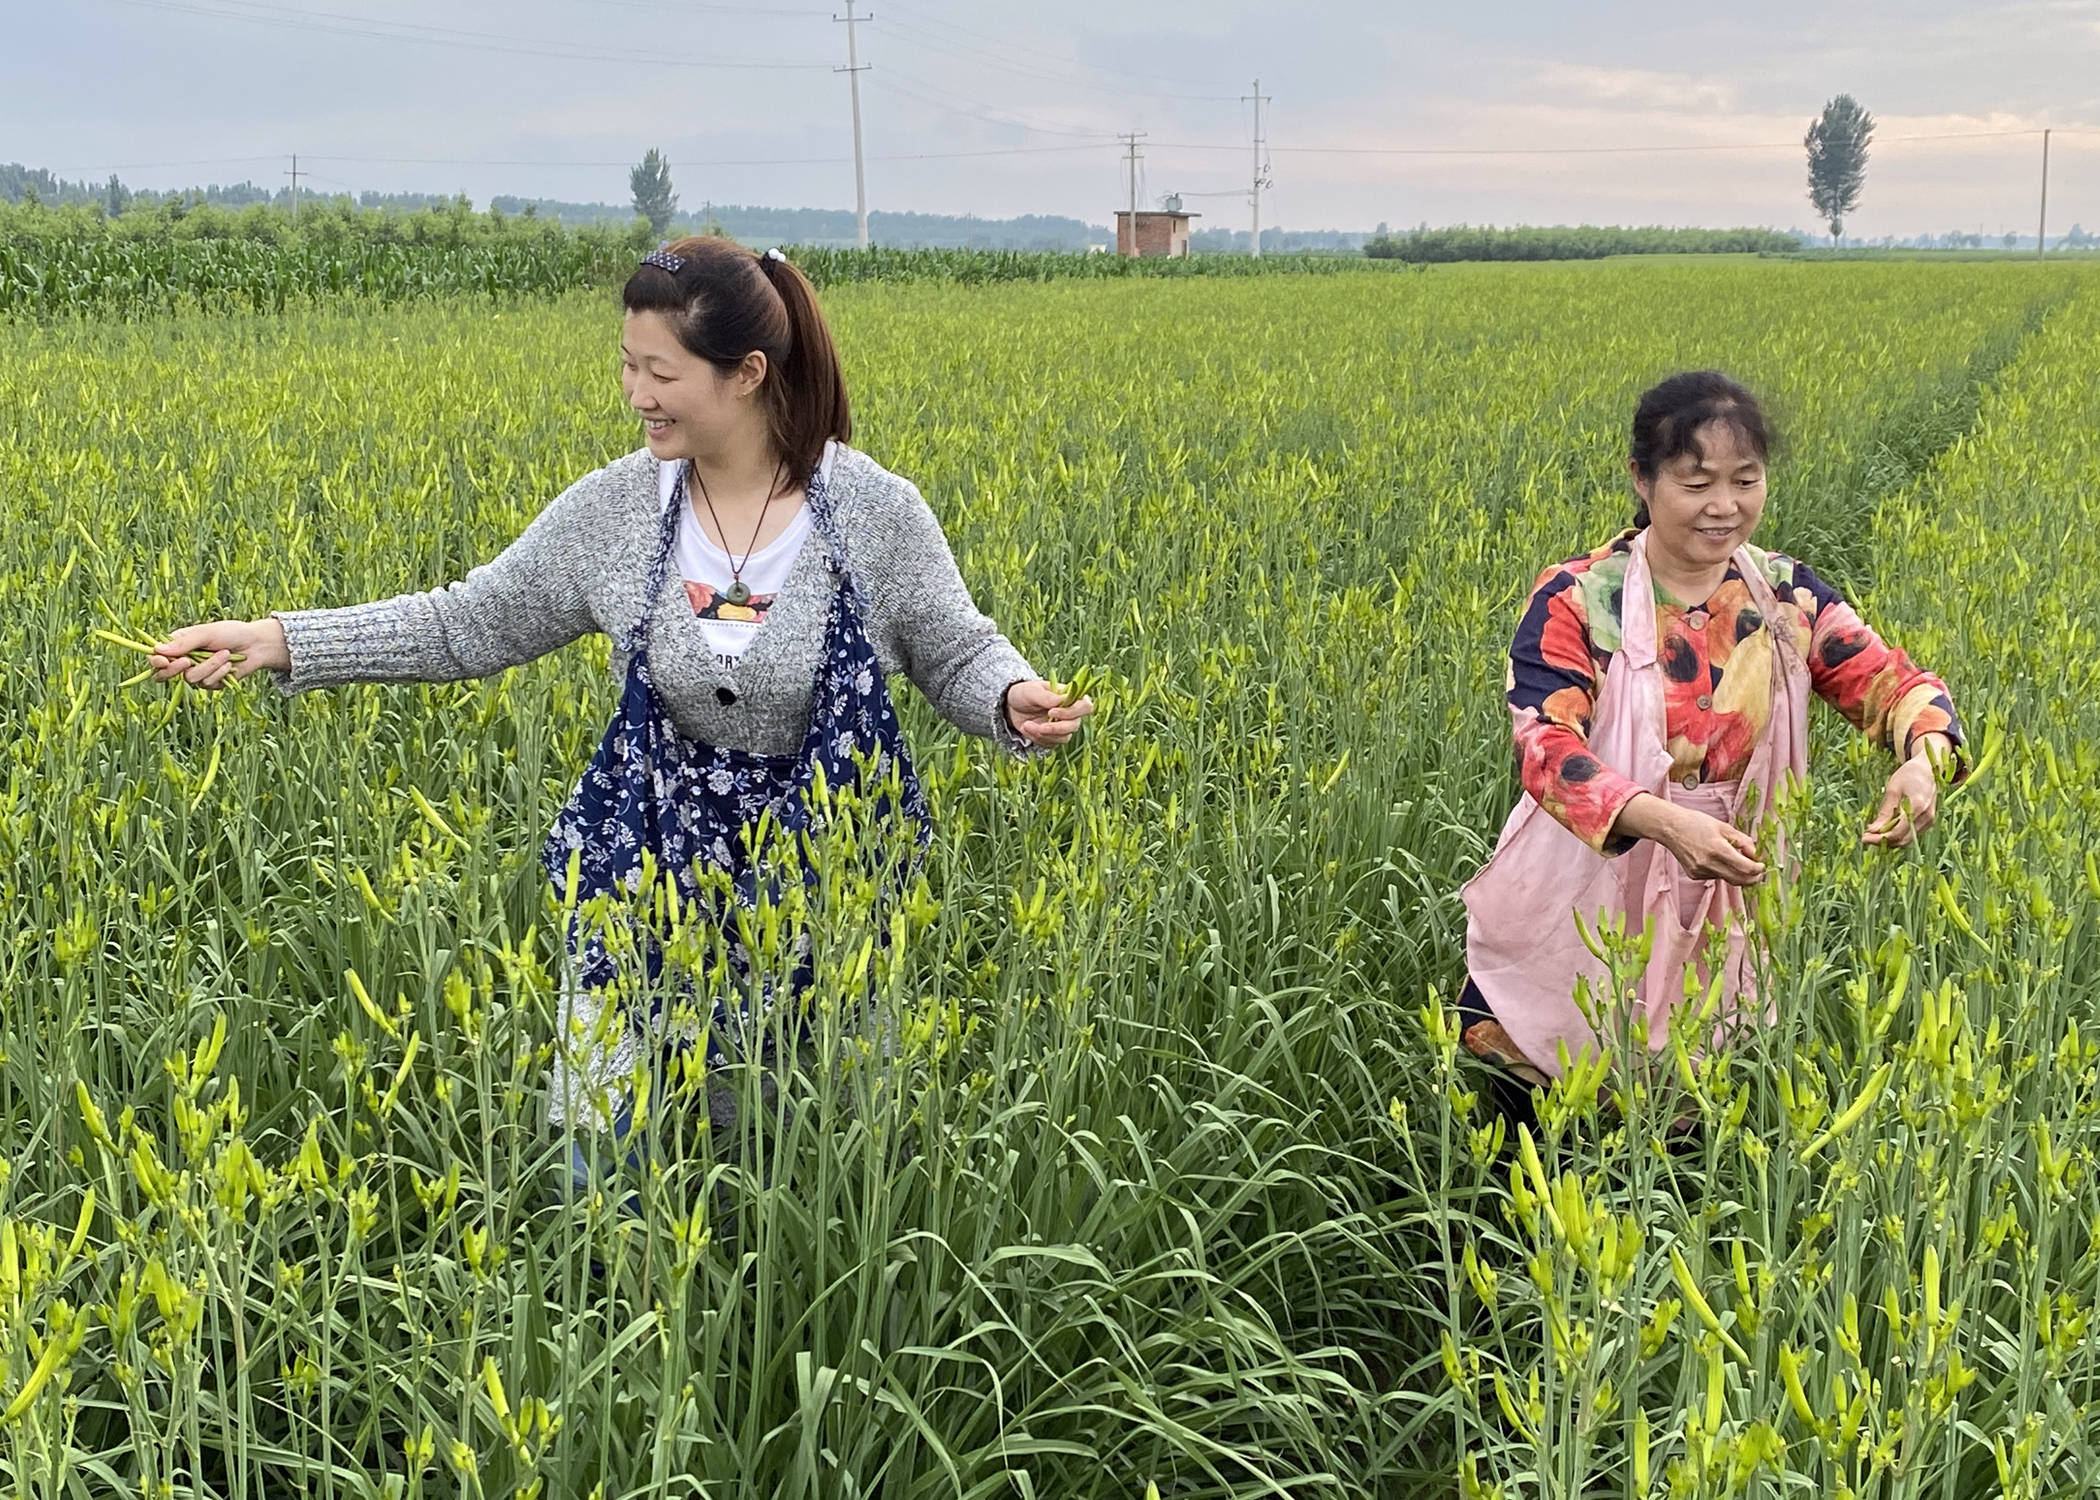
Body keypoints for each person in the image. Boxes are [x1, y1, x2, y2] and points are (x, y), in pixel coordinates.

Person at [148, 235, 1096, 1164]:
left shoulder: (875, 513)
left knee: (800, 1153)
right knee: (598, 1156)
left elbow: (955, 645)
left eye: (661, 371)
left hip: (819, 891)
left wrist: (1008, 696)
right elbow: (470, 620)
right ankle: (614, 1308)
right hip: (637, 876)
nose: (637, 394)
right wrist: (281, 641)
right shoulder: (617, 511)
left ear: (747, 372)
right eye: (628, 366)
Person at [1457, 370, 1960, 1107]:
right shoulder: (1579, 598)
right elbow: (1544, 745)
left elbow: (1895, 684)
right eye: (1696, 483)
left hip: (1730, 899)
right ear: (1642, 478)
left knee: (1692, 1129)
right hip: (1585, 890)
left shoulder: (1789, 597)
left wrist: (1925, 760)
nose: (1724, 507)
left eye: (1745, 480)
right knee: (1539, 1121)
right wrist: (1663, 822)